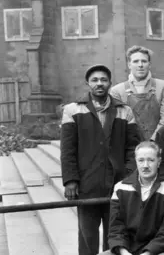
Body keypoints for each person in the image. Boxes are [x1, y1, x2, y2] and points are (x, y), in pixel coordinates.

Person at [61, 64, 140, 255]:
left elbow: (132, 148)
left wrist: (128, 176)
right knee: (87, 235)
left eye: (103, 80)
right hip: (87, 183)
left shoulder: (124, 111)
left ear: (110, 83)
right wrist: (71, 180)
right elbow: (68, 149)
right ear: (88, 83)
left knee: (114, 235)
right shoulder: (73, 110)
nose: (99, 84)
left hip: (116, 184)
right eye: (95, 80)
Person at [102, 141, 164, 255]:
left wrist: (147, 253)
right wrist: (124, 252)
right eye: (141, 160)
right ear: (136, 161)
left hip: (161, 249)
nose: (145, 165)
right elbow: (116, 228)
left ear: (159, 162)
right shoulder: (120, 188)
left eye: (151, 160)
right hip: (128, 248)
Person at [110, 45, 164, 141]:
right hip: (130, 147)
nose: (140, 65)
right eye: (135, 61)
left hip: (159, 143)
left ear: (149, 64)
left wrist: (153, 142)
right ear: (129, 64)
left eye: (144, 61)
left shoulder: (163, 87)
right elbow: (119, 125)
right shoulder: (117, 91)